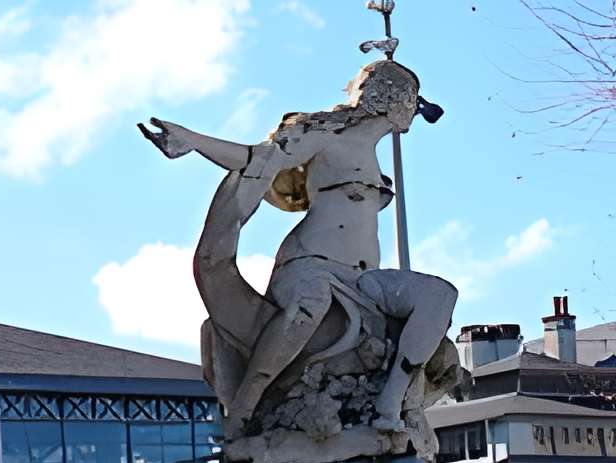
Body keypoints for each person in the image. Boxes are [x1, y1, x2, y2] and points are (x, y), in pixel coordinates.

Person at [140, 60, 456, 433]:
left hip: (362, 279)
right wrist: (193, 140)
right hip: (310, 265)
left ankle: (391, 402)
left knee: (439, 295)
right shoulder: (324, 135)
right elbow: (257, 159)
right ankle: (247, 405)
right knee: (310, 304)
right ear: (393, 101)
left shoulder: (371, 157)